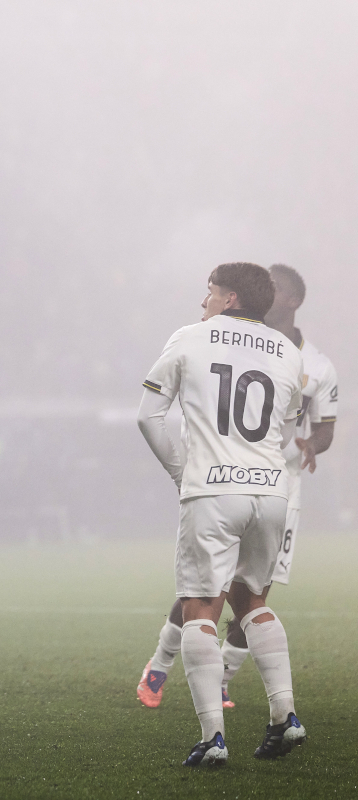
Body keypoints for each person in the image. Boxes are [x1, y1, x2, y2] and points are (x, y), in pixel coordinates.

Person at [136, 264, 338, 710]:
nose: (202, 300)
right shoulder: (286, 354)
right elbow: (284, 430)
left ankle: (214, 714)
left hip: (219, 485)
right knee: (248, 599)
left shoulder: (196, 337)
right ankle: (279, 713)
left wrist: (182, 471)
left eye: (208, 292)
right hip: (270, 486)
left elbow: (147, 415)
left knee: (206, 599)